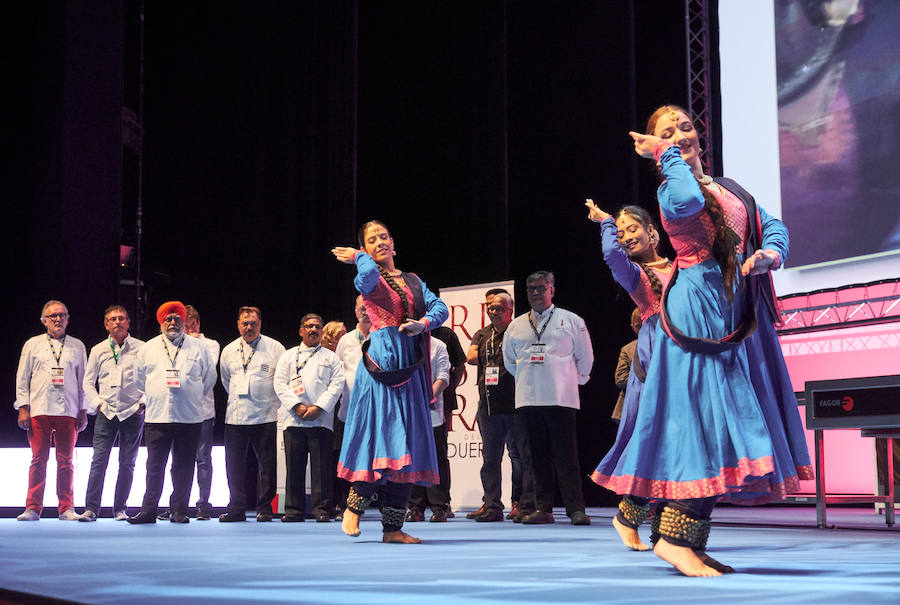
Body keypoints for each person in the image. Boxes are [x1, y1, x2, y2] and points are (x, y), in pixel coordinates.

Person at [594, 105, 811, 576]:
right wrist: (667, 158)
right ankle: (674, 538)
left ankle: (680, 537)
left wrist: (770, 254)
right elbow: (690, 204)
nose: (679, 135)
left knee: (722, 419)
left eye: (684, 127)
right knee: (711, 418)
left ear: (700, 132)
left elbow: (769, 224)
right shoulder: (672, 188)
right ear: (654, 150)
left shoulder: (728, 187)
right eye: (666, 132)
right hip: (699, 308)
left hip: (736, 304)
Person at [331, 220, 449, 543]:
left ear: (394, 243)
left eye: (384, 237)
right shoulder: (368, 277)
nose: (380, 242)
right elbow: (367, 276)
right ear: (366, 249)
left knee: (408, 447)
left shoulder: (412, 280)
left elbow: (441, 308)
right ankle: (354, 507)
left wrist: (422, 324)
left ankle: (393, 528)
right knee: (380, 440)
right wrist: (359, 257)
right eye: (372, 240)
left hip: (410, 366)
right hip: (384, 365)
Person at [584, 202, 674, 550]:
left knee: (676, 445)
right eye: (622, 233)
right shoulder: (634, 274)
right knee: (654, 440)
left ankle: (663, 528)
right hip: (656, 362)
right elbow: (609, 252)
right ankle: (628, 517)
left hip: (685, 357)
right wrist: (606, 223)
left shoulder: (681, 265)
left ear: (653, 232)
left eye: (632, 228)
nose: (625, 237)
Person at [502, 271, 594, 526]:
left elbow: (585, 357)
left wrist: (571, 382)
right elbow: (510, 361)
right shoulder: (516, 325)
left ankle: (576, 509)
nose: (535, 292)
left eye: (541, 287)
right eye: (530, 288)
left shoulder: (571, 320)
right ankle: (543, 508)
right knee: (535, 458)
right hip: (528, 399)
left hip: (560, 398)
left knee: (567, 456)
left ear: (552, 289)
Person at [128, 301, 217, 524]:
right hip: (157, 417)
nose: (173, 322)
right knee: (154, 466)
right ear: (161, 322)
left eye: (178, 318)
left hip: (189, 417)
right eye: (168, 318)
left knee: (184, 466)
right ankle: (148, 510)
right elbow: (140, 379)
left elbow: (209, 379)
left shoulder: (199, 348)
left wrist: (191, 394)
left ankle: (179, 510)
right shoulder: (148, 348)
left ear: (184, 322)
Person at [14, 300, 88, 521]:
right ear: (44, 321)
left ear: (67, 318)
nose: (57, 319)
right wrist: (23, 408)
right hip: (39, 408)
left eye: (62, 315)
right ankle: (33, 508)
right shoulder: (32, 344)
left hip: (69, 409)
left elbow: (84, 379)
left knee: (66, 461)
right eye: (53, 316)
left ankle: (67, 508)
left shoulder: (77, 345)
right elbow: (22, 378)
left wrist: (83, 410)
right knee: (38, 459)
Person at [467, 290, 533, 522]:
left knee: (518, 456)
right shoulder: (483, 335)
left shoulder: (519, 332)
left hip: (515, 405)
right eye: (490, 308)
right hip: (488, 405)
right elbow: (471, 358)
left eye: (498, 308)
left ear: (510, 310)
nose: (493, 312)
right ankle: (492, 505)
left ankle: (520, 504)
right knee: (490, 458)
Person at [218, 306, 285, 522]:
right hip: (236, 417)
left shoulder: (275, 348)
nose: (249, 327)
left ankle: (264, 508)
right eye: (245, 323)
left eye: (253, 323)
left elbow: (282, 380)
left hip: (266, 415)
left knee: (267, 466)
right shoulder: (228, 350)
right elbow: (226, 381)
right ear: (238, 324)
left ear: (260, 324)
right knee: (234, 465)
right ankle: (236, 508)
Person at [275, 313, 344, 522]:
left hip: (320, 419)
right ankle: (294, 510)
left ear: (322, 331)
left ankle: (322, 509)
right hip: (293, 418)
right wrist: (296, 406)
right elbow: (279, 383)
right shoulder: (288, 356)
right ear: (301, 331)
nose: (313, 329)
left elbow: (337, 385)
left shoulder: (331, 358)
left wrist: (318, 407)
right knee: (294, 467)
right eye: (309, 326)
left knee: (321, 468)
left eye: (317, 326)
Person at [80, 305, 145, 522]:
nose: (117, 322)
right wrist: (97, 403)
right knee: (99, 460)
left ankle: (120, 508)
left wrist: (142, 404)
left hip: (132, 412)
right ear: (106, 324)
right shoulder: (98, 349)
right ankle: (91, 509)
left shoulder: (142, 348)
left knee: (127, 462)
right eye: (112, 319)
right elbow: (88, 382)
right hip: (106, 412)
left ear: (128, 323)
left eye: (121, 318)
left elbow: (151, 378)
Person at [333, 296, 372, 517]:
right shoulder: (345, 341)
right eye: (361, 308)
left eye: (369, 308)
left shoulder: (381, 336)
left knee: (376, 458)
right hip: (349, 411)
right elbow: (339, 373)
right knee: (349, 458)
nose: (365, 312)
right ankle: (347, 506)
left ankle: (380, 505)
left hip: (376, 410)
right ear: (355, 312)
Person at [406, 337, 451, 522]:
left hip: (431, 410)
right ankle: (415, 506)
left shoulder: (439, 345)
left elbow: (443, 377)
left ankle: (439, 506)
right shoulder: (402, 344)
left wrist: (425, 397)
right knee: (412, 459)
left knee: (436, 459)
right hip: (408, 411)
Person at [611, 308, 642, 423]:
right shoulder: (628, 349)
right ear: (632, 326)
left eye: (645, 325)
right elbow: (620, 379)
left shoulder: (661, 346)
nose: (642, 329)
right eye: (638, 326)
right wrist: (645, 379)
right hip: (633, 405)